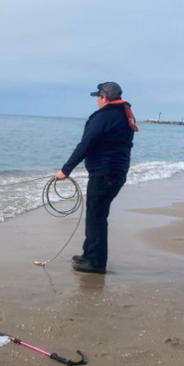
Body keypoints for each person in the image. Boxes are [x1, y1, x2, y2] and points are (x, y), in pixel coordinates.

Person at [55, 81, 138, 274]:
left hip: (105, 174)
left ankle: (96, 263)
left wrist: (65, 170)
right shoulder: (123, 115)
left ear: (105, 98)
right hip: (115, 173)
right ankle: (89, 255)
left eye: (98, 98)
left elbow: (86, 144)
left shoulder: (104, 116)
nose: (97, 101)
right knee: (96, 215)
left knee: (96, 217)